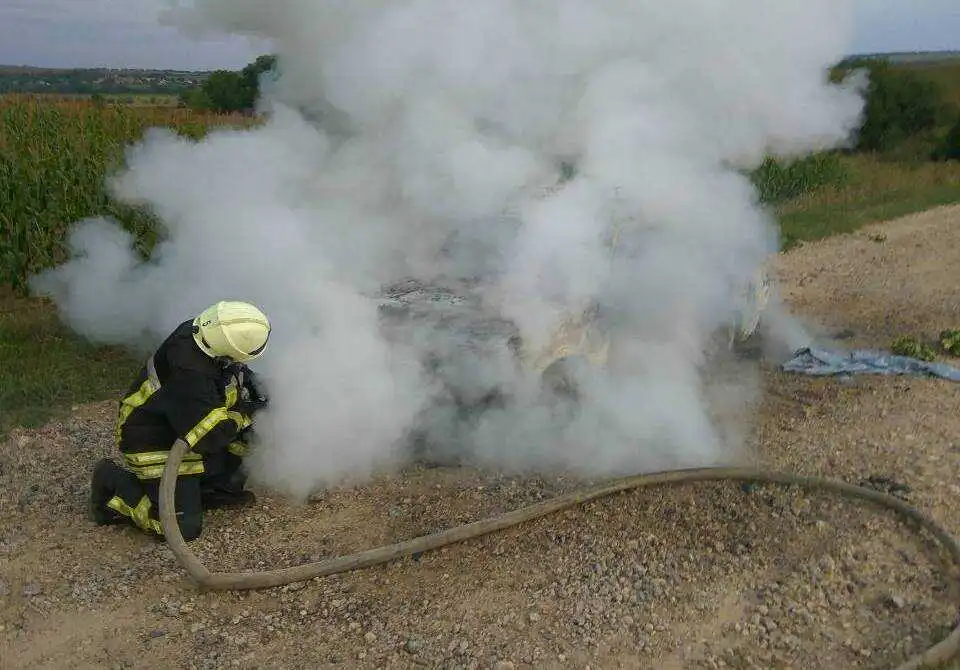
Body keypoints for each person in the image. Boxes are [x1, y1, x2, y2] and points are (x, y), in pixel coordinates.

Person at [89, 300, 271, 541]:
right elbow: (210, 435)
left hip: (183, 423)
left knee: (254, 427)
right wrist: (246, 412)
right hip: (152, 439)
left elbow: (228, 374)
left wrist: (255, 387)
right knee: (182, 528)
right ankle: (112, 485)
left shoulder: (203, 333)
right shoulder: (189, 372)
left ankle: (211, 487)